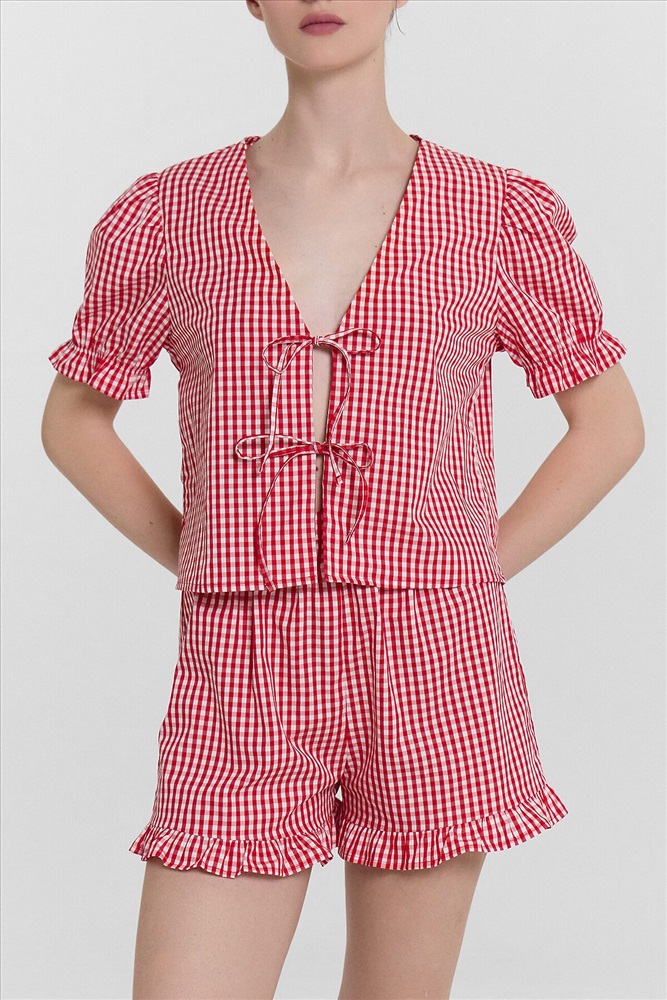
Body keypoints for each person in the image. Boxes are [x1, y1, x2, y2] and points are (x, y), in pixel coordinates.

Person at [41, 1, 645, 997]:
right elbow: (74, 420)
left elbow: (609, 426)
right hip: (240, 667)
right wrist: (205, 553)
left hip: (432, 663)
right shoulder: (168, 215)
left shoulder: (495, 214)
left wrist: (463, 569)